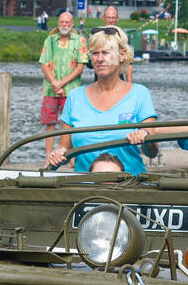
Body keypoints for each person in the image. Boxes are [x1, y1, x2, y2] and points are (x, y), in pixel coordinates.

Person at [46, 25, 156, 175]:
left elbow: (152, 152)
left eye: (105, 53)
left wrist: (145, 136)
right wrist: (58, 153)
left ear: (122, 55)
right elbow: (65, 147)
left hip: (129, 187)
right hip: (85, 187)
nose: (99, 59)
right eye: (95, 53)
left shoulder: (140, 94)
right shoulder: (75, 96)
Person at [38, 11, 88, 156]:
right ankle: (48, 154)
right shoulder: (50, 41)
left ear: (72, 24)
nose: (64, 25)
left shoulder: (80, 41)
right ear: (58, 23)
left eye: (67, 22)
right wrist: (54, 83)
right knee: (50, 123)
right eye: (61, 22)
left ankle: (69, 156)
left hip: (71, 90)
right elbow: (44, 64)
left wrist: (61, 84)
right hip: (50, 89)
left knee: (70, 123)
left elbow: (80, 67)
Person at [100, 5, 132, 83]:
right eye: (108, 17)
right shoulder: (96, 36)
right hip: (100, 80)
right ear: (103, 18)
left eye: (113, 18)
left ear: (117, 18)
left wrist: (129, 84)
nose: (110, 20)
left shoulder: (123, 37)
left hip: (119, 80)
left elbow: (128, 63)